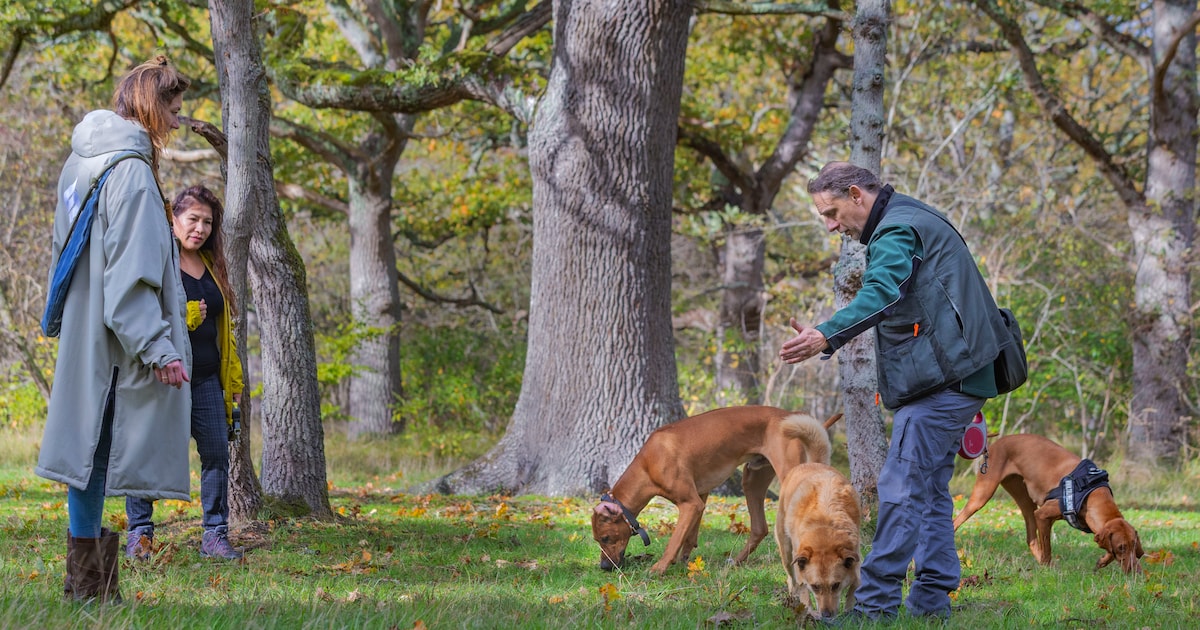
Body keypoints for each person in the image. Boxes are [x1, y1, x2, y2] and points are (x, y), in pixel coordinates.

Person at [779, 162, 1010, 622]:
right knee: (927, 490)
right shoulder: (910, 216)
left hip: (947, 383)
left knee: (901, 488)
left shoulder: (897, 229)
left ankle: (874, 605)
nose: (829, 225)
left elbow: (881, 292)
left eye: (831, 211)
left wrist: (827, 333)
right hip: (960, 378)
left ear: (856, 194)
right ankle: (930, 602)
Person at [36, 56, 193, 603]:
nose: (177, 121)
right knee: (97, 455)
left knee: (87, 457)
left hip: (89, 332)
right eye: (173, 110)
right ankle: (90, 590)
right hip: (116, 345)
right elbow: (131, 277)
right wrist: (159, 348)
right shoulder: (128, 172)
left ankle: (87, 587)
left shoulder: (81, 162)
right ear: (152, 107)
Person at [126, 185, 245, 561]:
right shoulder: (159, 261)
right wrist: (181, 319)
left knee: (215, 455)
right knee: (147, 452)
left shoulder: (211, 265)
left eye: (208, 221)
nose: (201, 228)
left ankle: (214, 535)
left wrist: (236, 380)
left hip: (208, 378)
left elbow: (226, 331)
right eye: (192, 219)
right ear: (173, 220)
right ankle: (140, 535)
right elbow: (141, 315)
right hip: (165, 377)